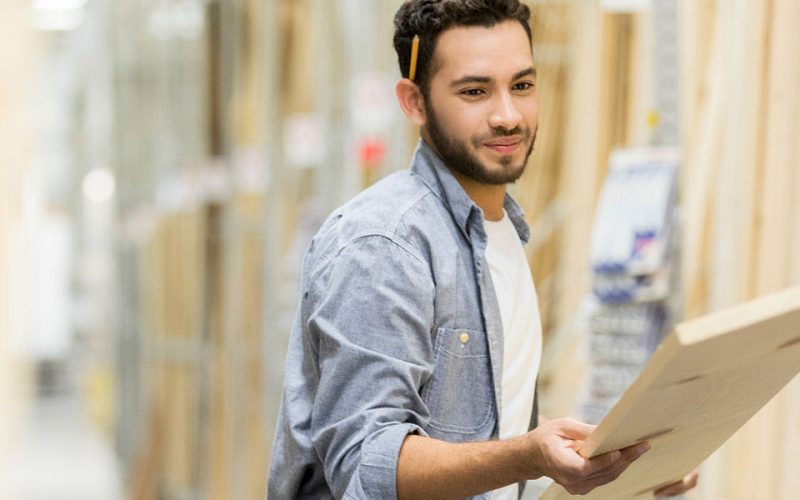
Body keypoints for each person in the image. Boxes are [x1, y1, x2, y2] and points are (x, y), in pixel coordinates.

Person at [268, 1, 698, 498]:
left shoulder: (501, 233)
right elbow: (368, 467)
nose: (508, 115)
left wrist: (627, 464)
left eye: (522, 85)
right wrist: (528, 454)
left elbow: (481, 437)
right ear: (414, 102)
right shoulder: (383, 245)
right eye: (474, 91)